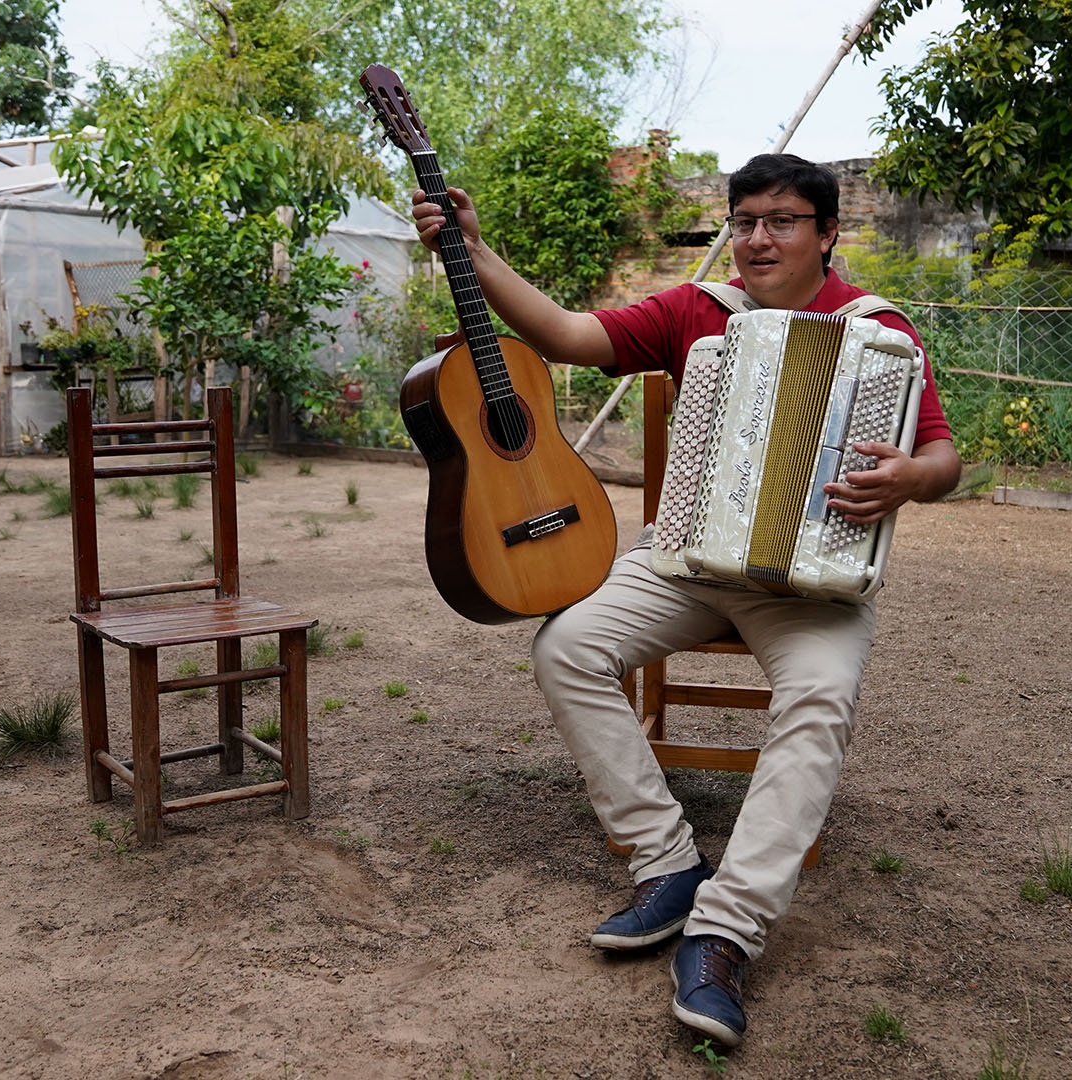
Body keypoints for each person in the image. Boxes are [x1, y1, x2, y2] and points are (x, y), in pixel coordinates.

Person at [411, 153, 960, 1048]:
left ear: (828, 234)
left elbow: (944, 456)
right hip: (689, 563)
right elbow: (565, 336)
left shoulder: (880, 332)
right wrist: (474, 251)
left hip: (811, 583)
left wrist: (908, 478)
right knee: (566, 646)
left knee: (819, 696)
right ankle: (667, 864)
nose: (755, 238)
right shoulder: (697, 309)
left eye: (781, 221)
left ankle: (723, 932)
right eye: (743, 221)